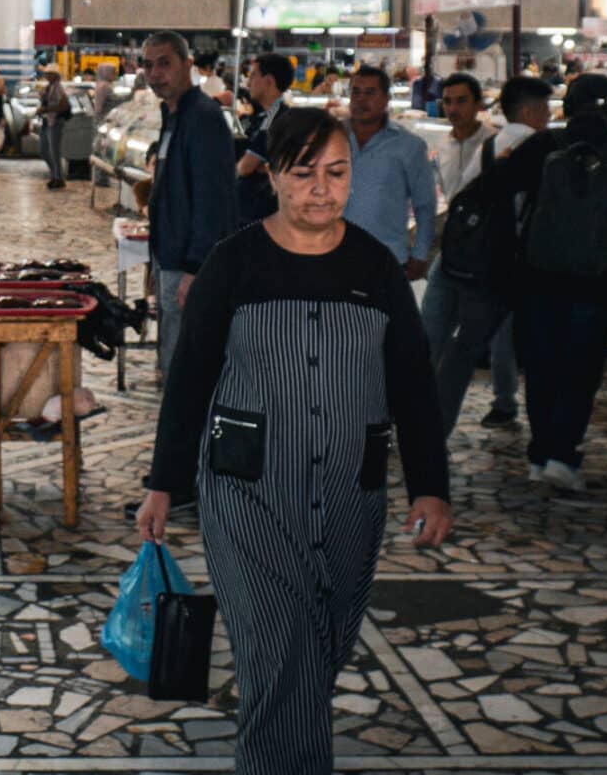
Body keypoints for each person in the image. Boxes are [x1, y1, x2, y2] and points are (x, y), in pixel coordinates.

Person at [137, 107, 452, 775]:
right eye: (304, 173)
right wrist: (165, 482)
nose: (321, 189)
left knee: (316, 650)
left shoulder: (376, 268)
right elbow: (190, 378)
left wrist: (431, 484)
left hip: (348, 496)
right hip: (248, 491)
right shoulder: (235, 263)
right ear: (273, 175)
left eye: (336, 173)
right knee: (281, 647)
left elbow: (414, 383)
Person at [488, 73, 607, 491]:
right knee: (580, 372)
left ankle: (540, 455)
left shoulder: (543, 146)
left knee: (541, 368)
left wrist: (513, 255)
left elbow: (499, 192)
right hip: (595, 285)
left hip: (538, 278)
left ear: (569, 105)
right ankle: (563, 455)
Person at [418, 73, 522, 433]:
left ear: (479, 104)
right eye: (448, 101)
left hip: (491, 255)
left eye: (461, 100)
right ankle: (425, 409)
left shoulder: (495, 144)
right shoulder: (442, 145)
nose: (453, 108)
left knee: (499, 336)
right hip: (453, 252)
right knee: (430, 331)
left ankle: (505, 401)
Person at [143, 30, 239, 376]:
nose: (155, 74)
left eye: (165, 64)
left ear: (188, 65)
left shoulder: (202, 118)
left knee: (186, 364)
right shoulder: (175, 116)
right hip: (170, 257)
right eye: (149, 65)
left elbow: (211, 201)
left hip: (189, 265)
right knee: (174, 351)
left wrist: (195, 269)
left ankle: (186, 428)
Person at [341, 64, 437, 279]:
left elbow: (425, 206)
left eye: (370, 93)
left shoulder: (409, 146)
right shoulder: (331, 139)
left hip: (386, 260)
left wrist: (420, 255)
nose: (361, 99)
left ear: (386, 99)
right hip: (333, 256)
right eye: (355, 92)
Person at [234, 51, 295, 224]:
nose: (248, 82)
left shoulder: (276, 118)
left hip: (263, 213)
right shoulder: (266, 116)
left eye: (253, 76)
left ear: (268, 81)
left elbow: (246, 166)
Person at [37, 66, 70, 190]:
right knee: (44, 150)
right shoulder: (49, 87)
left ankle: (58, 178)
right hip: (48, 121)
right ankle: (55, 174)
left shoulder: (57, 88)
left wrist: (46, 109)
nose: (47, 76)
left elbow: (63, 106)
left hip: (55, 122)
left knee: (54, 152)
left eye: (49, 74)